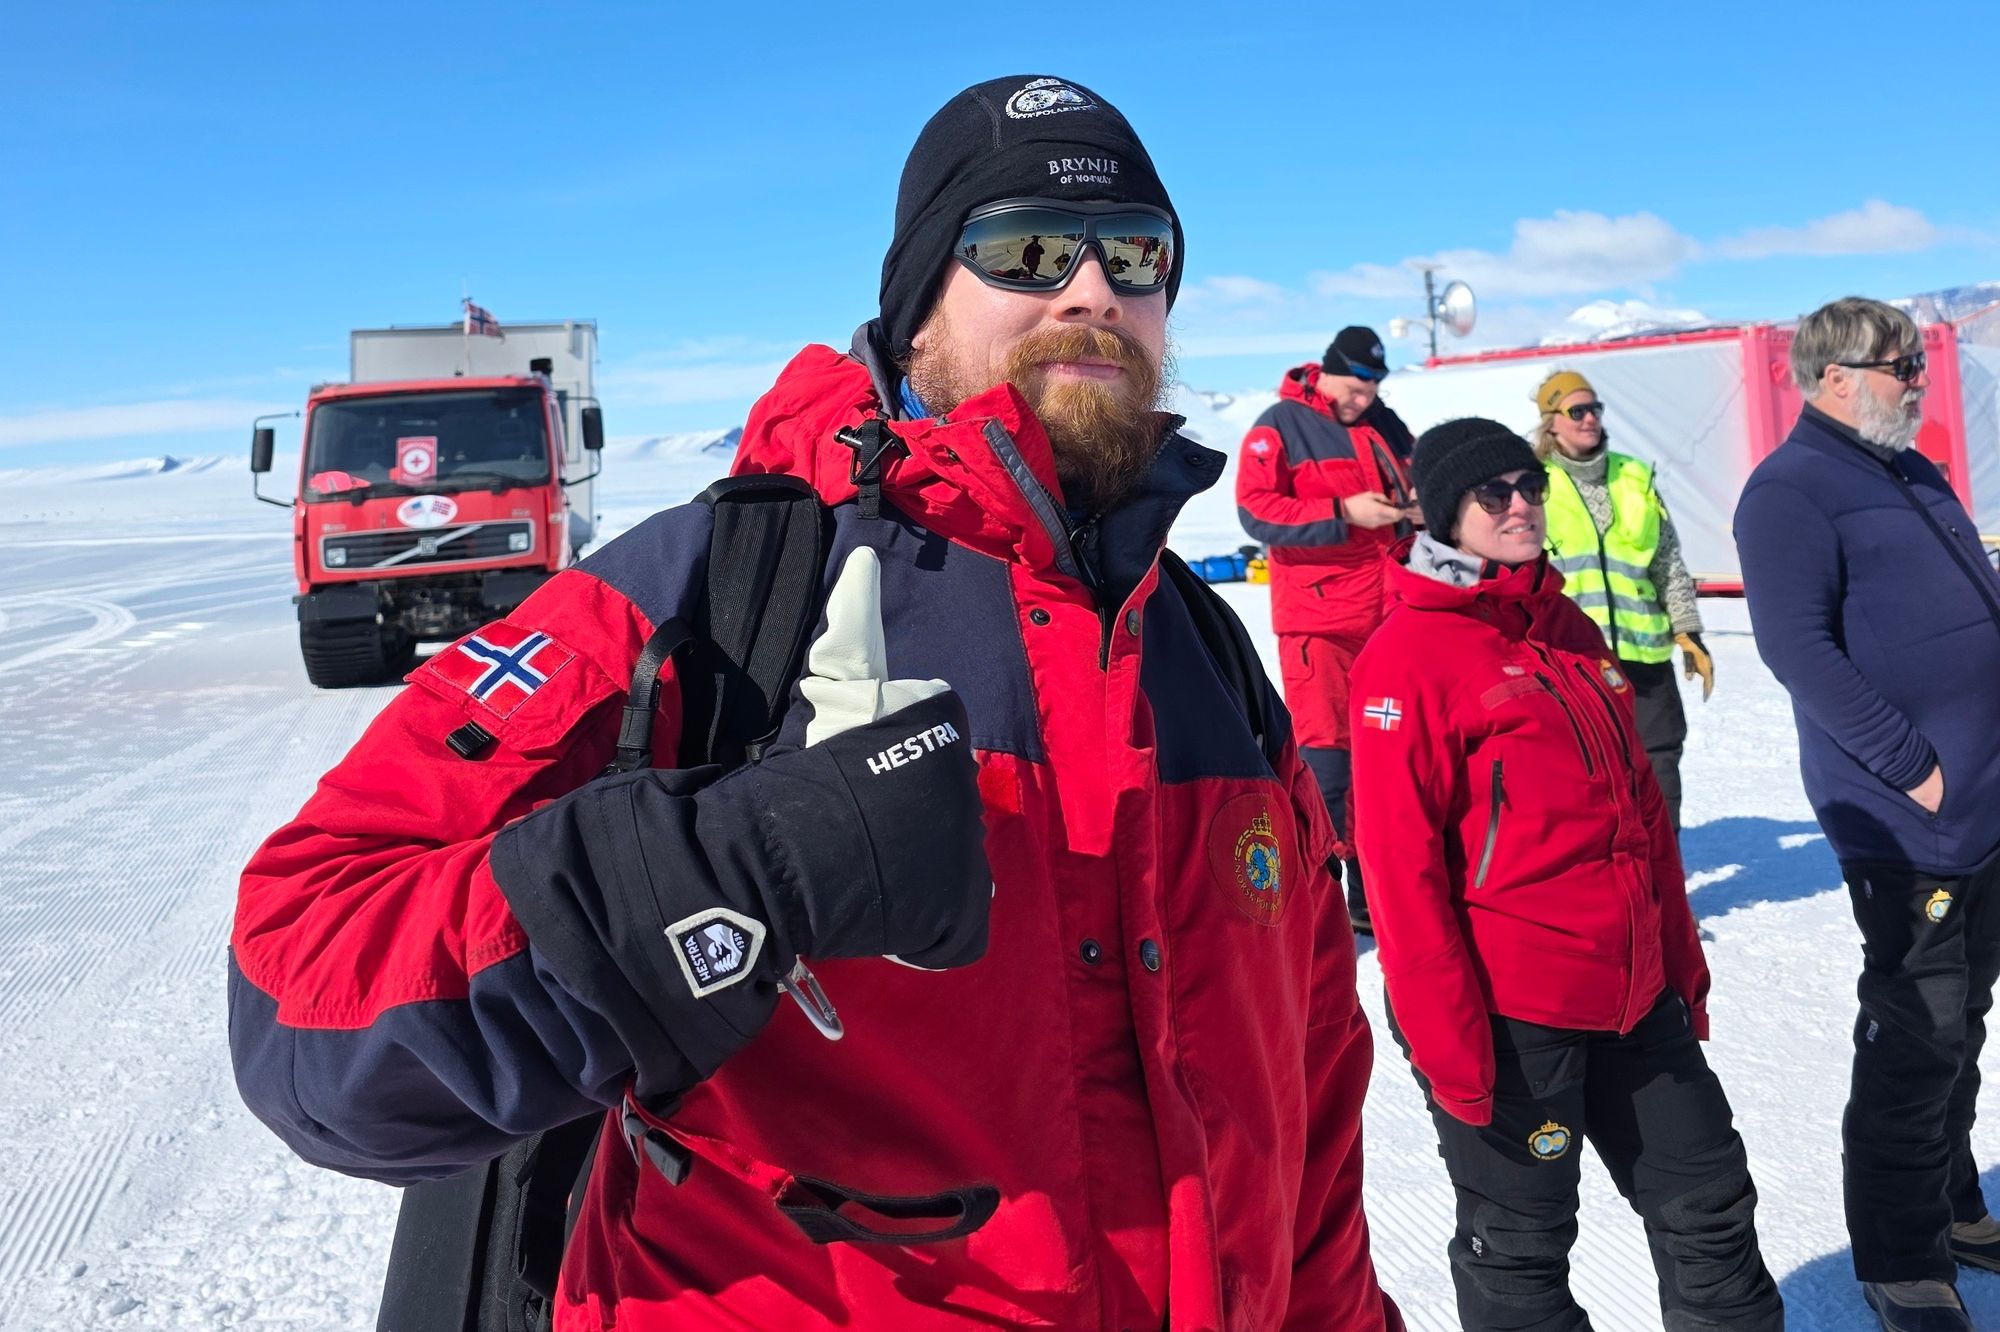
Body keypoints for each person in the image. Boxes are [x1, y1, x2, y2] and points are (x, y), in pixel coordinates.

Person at [229, 74, 1402, 1331]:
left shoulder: (1200, 649)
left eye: (1136, 251)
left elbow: (1313, 1098)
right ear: (913, 316)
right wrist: (723, 876)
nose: (1091, 289)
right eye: (1024, 247)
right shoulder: (719, 592)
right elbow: (303, 1009)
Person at [1350, 417, 1783, 1331]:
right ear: (1441, 513)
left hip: (1635, 994)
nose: (1520, 505)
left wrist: (1681, 963)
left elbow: (1644, 820)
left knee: (1709, 1207)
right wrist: (1450, 1047)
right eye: (1491, 493)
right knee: (1522, 1251)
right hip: (1512, 1014)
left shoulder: (1567, 625)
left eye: (1529, 486)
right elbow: (1399, 875)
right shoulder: (1408, 656)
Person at [1736, 296, 2000, 1332]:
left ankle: (1948, 1204)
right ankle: (1896, 1256)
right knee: (1914, 1031)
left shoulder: (1904, 467)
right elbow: (1797, 652)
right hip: (1907, 816)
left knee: (1961, 1020)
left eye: (1915, 361)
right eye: (1897, 365)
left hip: (1980, 799)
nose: (1915, 379)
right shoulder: (1789, 491)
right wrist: (1911, 767)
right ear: (1830, 376)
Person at [1236, 327, 1417, 932]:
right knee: (1327, 766)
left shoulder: (1384, 424)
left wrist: (1413, 509)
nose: (1362, 399)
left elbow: (1417, 484)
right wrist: (1343, 512)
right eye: (1355, 385)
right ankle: (1320, 902)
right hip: (1320, 625)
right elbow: (1256, 510)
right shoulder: (1280, 423)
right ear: (1327, 371)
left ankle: (1372, 898)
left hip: (1392, 617)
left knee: (1390, 761)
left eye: (1372, 389)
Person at [1533, 369, 1712, 830]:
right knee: (1582, 768)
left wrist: (1687, 630)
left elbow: (1667, 562)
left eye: (1595, 408)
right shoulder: (1534, 486)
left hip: (1644, 654)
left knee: (1659, 764)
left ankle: (1663, 880)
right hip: (1574, 658)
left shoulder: (1634, 477)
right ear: (1551, 421)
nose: (1589, 418)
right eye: (1577, 410)